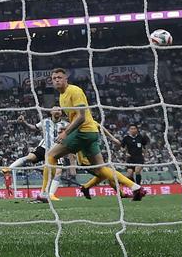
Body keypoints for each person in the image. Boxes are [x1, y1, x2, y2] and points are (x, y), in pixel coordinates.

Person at [36, 68, 146, 203]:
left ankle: (44, 192)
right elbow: (77, 117)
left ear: (66, 79)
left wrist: (66, 132)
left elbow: (81, 117)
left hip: (83, 132)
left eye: (59, 77)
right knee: (101, 169)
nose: (57, 80)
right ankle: (135, 187)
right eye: (54, 78)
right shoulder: (62, 96)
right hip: (91, 133)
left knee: (50, 155)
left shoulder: (74, 91)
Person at [5, 108, 67, 191]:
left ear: (61, 113)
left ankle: (51, 195)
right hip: (44, 147)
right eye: (55, 110)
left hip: (57, 150)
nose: (57, 111)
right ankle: (8, 169)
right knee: (29, 157)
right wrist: (24, 122)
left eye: (59, 110)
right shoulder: (45, 121)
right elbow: (33, 127)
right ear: (51, 112)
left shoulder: (66, 124)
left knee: (58, 172)